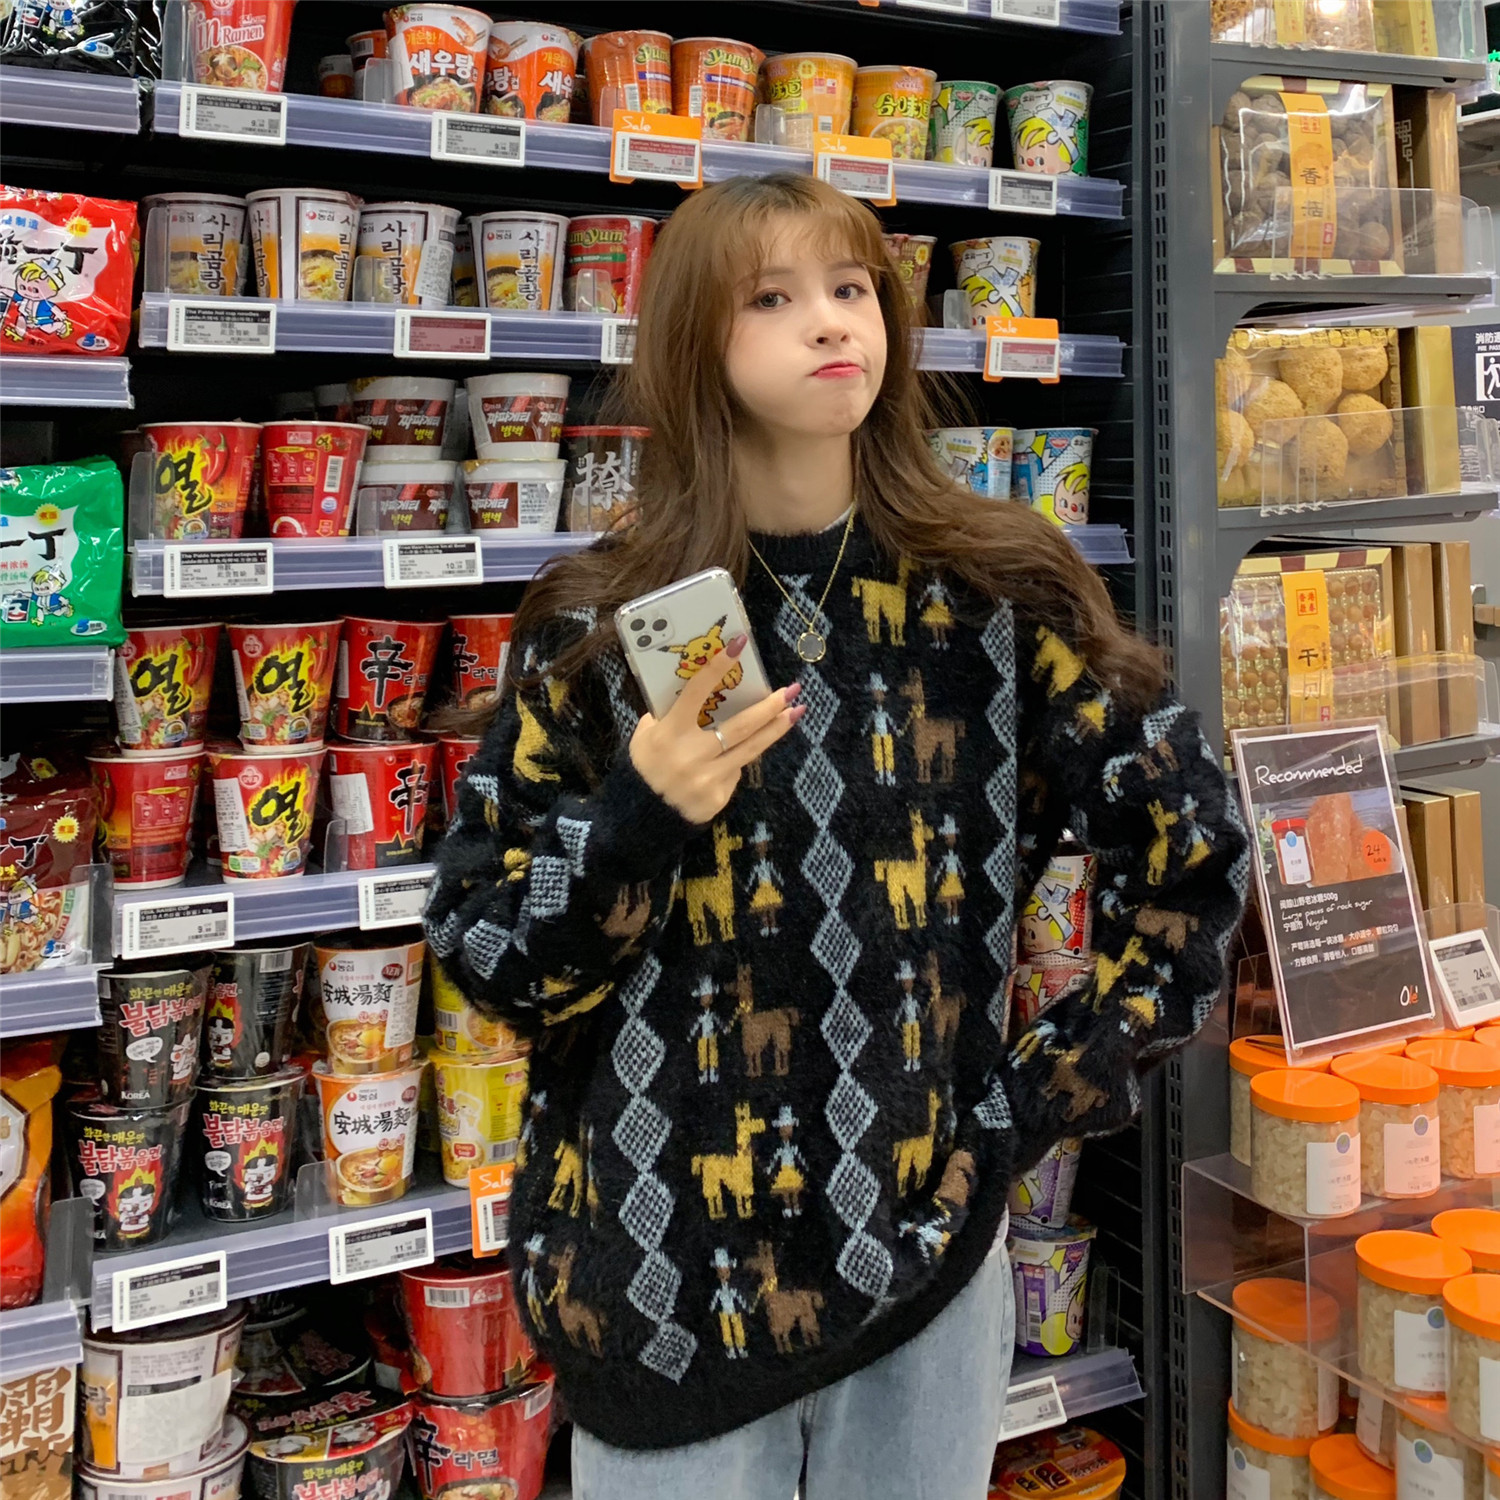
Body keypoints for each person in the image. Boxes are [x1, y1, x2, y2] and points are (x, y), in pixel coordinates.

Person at [424, 172, 1248, 1499]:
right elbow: (487, 951)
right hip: (654, 1295)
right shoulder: (599, 624)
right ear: (692, 341)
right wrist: (636, 817)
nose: (830, 321)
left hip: (924, 1277)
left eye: (852, 286)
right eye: (772, 296)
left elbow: (1190, 845)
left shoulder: (999, 593)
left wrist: (1032, 1102)